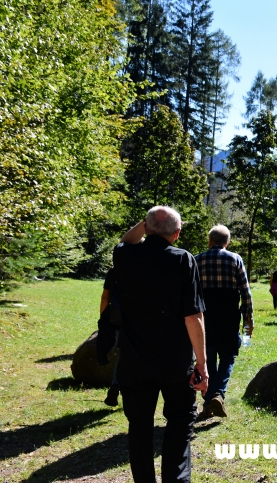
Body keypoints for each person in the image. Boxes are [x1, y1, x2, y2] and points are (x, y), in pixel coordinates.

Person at [112, 206, 207, 483]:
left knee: (139, 427)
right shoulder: (182, 260)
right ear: (177, 234)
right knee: (179, 422)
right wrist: (201, 364)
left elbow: (126, 240)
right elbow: (193, 316)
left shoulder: (126, 255)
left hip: (133, 362)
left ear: (147, 227)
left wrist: (147, 223)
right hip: (175, 363)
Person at [194, 225, 254, 419]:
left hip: (205, 318)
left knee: (208, 359)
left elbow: (191, 294)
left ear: (210, 240)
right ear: (227, 242)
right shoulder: (235, 259)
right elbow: (246, 293)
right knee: (228, 357)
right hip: (229, 318)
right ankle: (218, 394)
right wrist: (248, 320)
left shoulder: (197, 260)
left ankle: (208, 401)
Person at [99, 266, 122, 407]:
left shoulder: (114, 271)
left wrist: (103, 319)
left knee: (123, 353)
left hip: (118, 318)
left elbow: (105, 298)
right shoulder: (146, 266)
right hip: (140, 320)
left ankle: (115, 387)